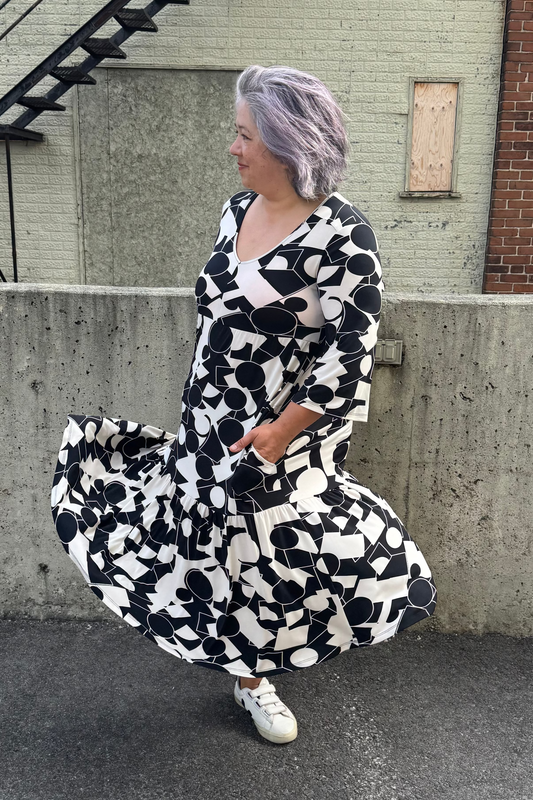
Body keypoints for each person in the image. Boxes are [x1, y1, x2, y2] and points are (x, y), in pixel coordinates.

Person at [51, 64, 437, 745]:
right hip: (207, 420)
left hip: (280, 437)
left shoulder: (343, 237)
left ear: (289, 144)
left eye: (244, 136)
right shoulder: (234, 211)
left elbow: (351, 352)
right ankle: (249, 675)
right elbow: (218, 317)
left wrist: (282, 431)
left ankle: (269, 665)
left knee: (287, 551)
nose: (233, 149)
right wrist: (201, 407)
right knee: (212, 547)